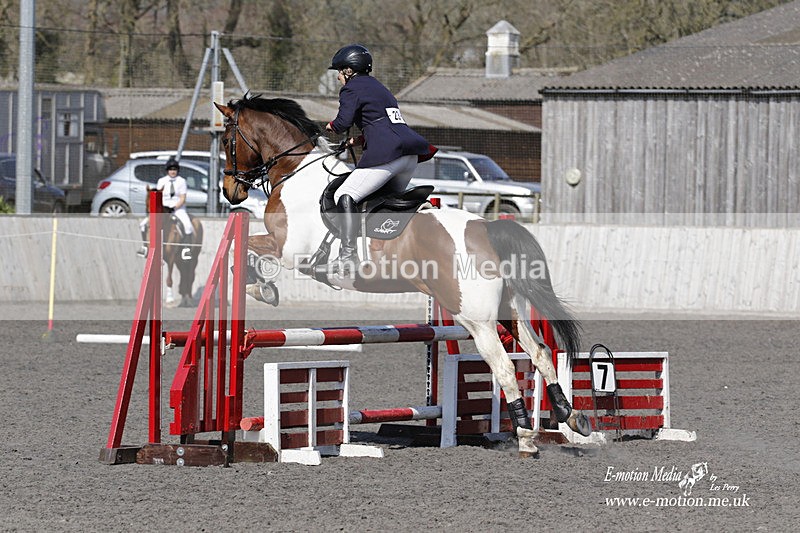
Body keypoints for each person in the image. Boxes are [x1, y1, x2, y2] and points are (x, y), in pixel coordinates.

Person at [324, 43, 436, 274]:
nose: (337, 78)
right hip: (409, 157)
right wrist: (361, 140)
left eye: (340, 71)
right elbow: (385, 125)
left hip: (389, 157)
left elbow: (343, 122)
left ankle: (348, 256)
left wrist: (332, 126)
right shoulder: (380, 88)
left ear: (349, 71)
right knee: (382, 198)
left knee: (344, 195)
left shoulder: (352, 88)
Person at [137, 158, 194, 257]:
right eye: (171, 169)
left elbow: (182, 198)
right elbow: (158, 196)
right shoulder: (161, 181)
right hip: (163, 208)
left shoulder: (181, 181)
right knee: (143, 224)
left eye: (175, 170)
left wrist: (174, 208)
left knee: (188, 225)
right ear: (167, 170)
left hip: (177, 209)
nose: (173, 172)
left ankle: (186, 249)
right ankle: (145, 247)